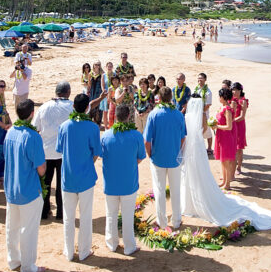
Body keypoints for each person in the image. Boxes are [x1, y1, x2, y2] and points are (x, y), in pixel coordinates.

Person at [180, 91, 271, 230]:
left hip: (189, 145)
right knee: (200, 169)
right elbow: (204, 130)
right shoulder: (201, 115)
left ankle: (189, 201)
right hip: (197, 144)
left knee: (191, 169)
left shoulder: (187, 115)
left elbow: (185, 130)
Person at [3, 98, 47, 272]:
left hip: (11, 188)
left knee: (12, 227)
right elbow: (41, 169)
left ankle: (14, 260)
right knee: (28, 230)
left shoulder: (10, 132)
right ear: (32, 114)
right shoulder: (33, 136)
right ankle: (28, 267)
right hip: (28, 189)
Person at [56, 93, 101, 261]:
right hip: (86, 176)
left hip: (68, 176)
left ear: (73, 107)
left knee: (68, 217)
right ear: (87, 108)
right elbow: (96, 153)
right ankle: (84, 251)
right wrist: (89, 162)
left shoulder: (64, 126)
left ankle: (68, 251)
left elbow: (60, 149)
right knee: (85, 215)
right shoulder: (92, 127)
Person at [101, 104, 145, 255]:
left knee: (111, 214)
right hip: (128, 182)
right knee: (127, 215)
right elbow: (140, 158)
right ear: (128, 117)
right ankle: (129, 246)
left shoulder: (106, 135)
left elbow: (102, 155)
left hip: (111, 181)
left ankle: (112, 243)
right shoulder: (136, 135)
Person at [143, 86, 186, 230]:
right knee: (175, 189)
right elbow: (182, 138)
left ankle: (162, 221)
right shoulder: (178, 115)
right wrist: (178, 151)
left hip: (158, 157)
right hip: (174, 157)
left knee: (159, 189)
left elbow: (147, 141)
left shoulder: (154, 114)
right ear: (171, 98)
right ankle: (176, 219)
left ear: (159, 99)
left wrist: (150, 155)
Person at [33, 81, 73, 220]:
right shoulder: (71, 106)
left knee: (46, 183)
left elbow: (35, 128)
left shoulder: (44, 107)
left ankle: (44, 211)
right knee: (62, 184)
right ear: (67, 92)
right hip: (63, 152)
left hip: (46, 151)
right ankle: (61, 213)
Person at [212, 88, 238, 189]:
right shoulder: (222, 107)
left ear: (223, 97)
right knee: (222, 160)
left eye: (219, 96)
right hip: (220, 136)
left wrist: (217, 127)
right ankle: (224, 181)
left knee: (226, 160)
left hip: (226, 137)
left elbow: (229, 126)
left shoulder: (227, 109)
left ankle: (227, 184)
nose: (218, 98)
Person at [232, 82, 248, 175]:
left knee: (239, 147)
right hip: (233, 125)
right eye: (233, 90)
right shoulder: (232, 100)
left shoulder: (243, 101)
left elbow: (242, 116)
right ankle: (232, 168)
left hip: (240, 126)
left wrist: (232, 121)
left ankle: (239, 167)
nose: (234, 92)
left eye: (236, 90)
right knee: (232, 146)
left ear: (240, 91)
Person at [196, 72, 214, 155]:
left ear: (205, 80)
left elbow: (208, 104)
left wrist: (201, 111)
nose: (199, 80)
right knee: (199, 130)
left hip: (204, 114)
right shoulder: (196, 89)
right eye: (198, 78)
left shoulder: (208, 92)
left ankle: (209, 148)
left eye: (201, 78)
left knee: (207, 131)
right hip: (196, 113)